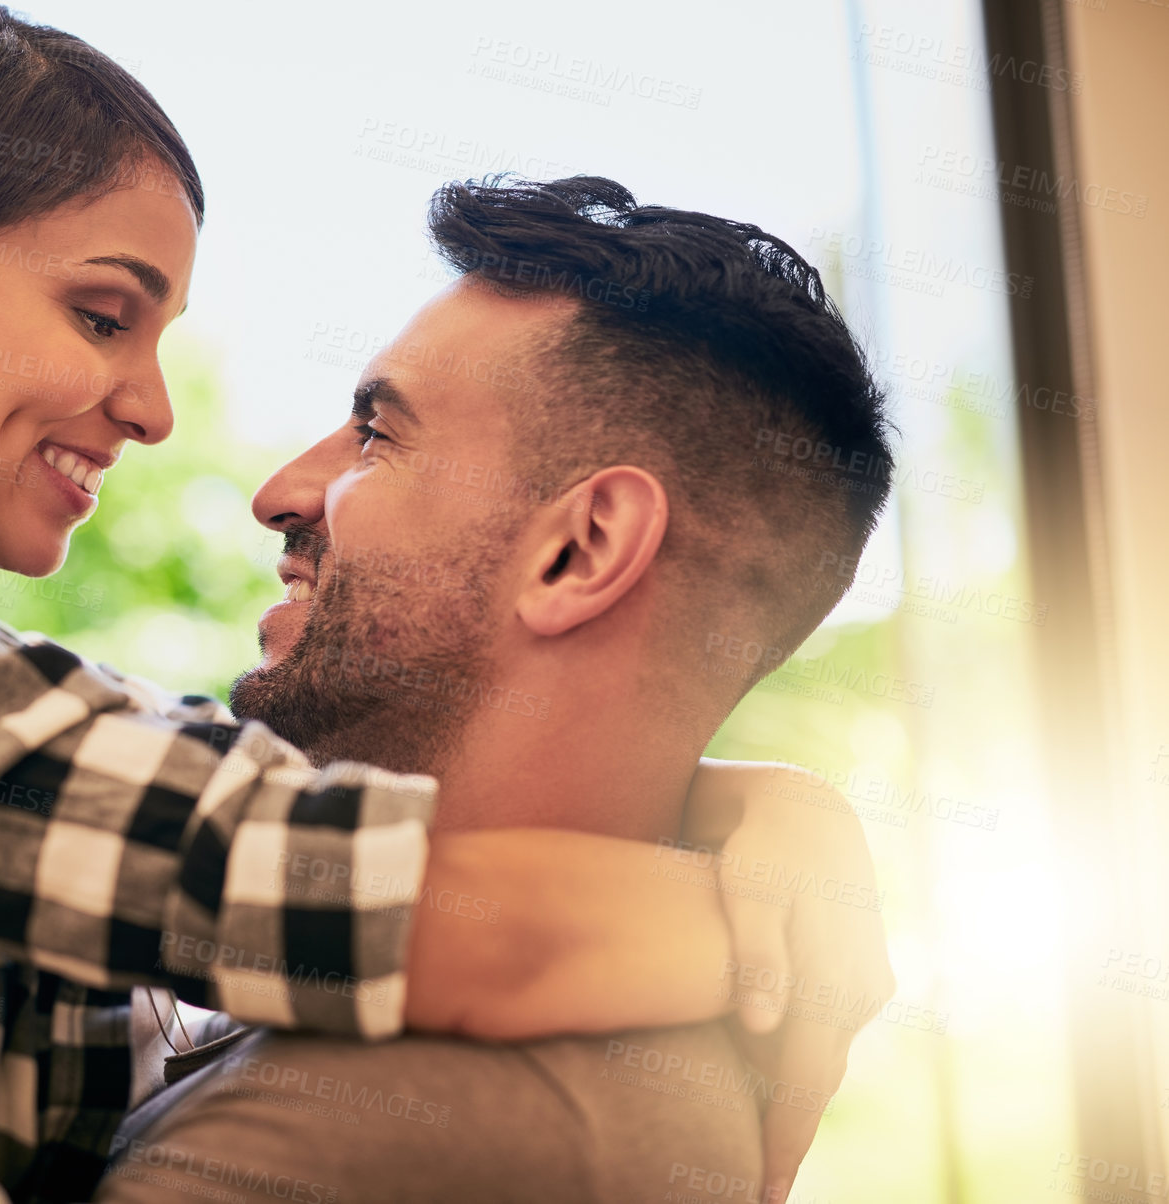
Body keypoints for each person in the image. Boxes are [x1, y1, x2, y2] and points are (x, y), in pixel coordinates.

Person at [0, 4, 890, 1203]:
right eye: (104, 316)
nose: (156, 412)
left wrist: (762, 804)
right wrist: (772, 933)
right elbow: (382, 910)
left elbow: (225, 871)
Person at [91, 176, 897, 1204]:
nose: (281, 491)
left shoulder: (416, 1118)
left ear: (580, 550)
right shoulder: (339, 975)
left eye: (377, 436)